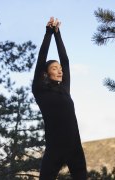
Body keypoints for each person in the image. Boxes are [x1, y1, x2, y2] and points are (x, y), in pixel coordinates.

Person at [32, 17, 87, 180]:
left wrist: (58, 33)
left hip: (74, 146)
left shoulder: (65, 89)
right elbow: (41, 57)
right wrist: (48, 33)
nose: (60, 71)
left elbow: (66, 61)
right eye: (55, 68)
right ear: (45, 73)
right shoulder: (39, 90)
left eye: (60, 69)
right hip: (54, 148)